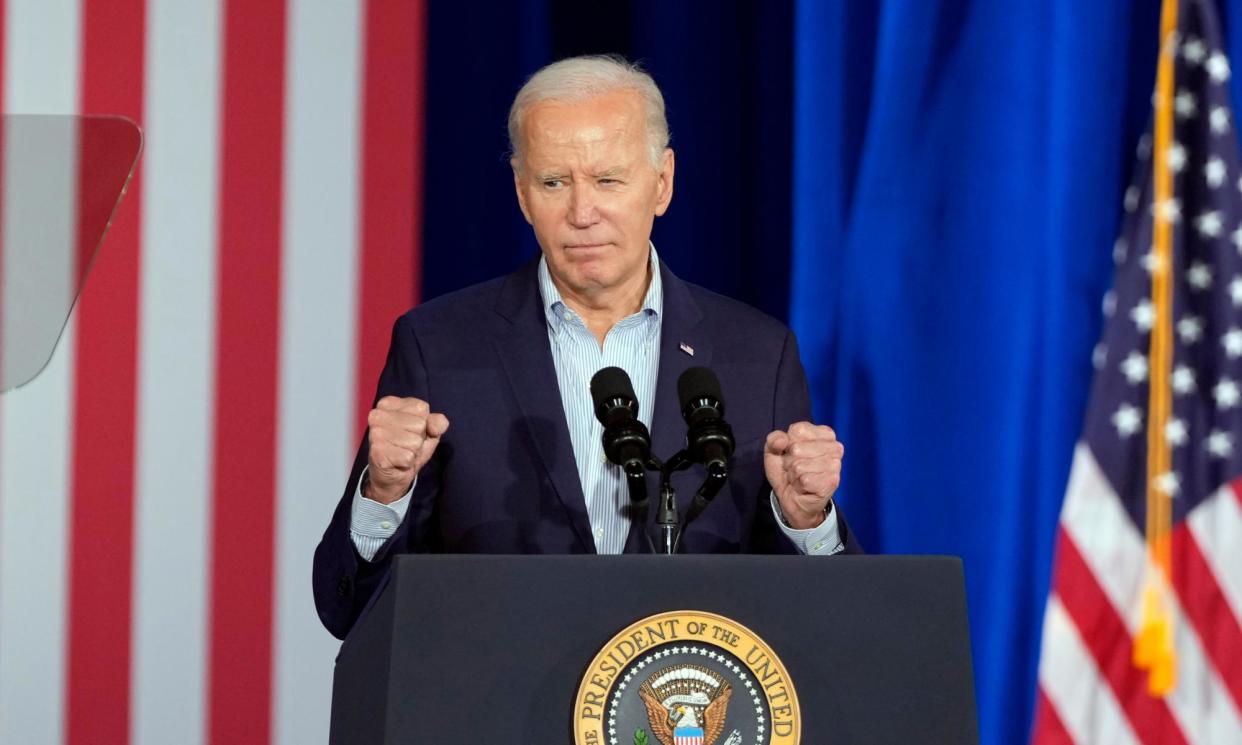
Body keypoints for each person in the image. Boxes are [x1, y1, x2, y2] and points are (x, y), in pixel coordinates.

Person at [313, 55, 861, 639]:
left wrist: (806, 521)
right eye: (554, 183)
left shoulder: (756, 354)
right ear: (523, 196)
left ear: (662, 183)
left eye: (607, 180)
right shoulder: (439, 346)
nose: (582, 212)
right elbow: (347, 609)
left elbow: (828, 624)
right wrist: (385, 493)